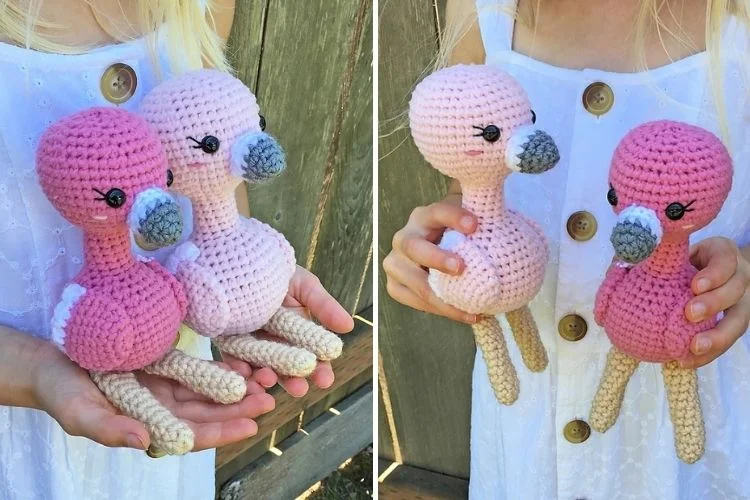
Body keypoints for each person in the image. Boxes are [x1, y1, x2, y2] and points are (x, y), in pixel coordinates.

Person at [383, 0, 750, 498]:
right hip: (530, 417)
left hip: (689, 419)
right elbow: (469, 185)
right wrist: (437, 241)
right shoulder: (485, 11)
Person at [0, 1, 353, 498]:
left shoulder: (192, 8)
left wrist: (241, 270)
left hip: (181, 355)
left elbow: (215, 177)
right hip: (23, 422)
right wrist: (35, 373)